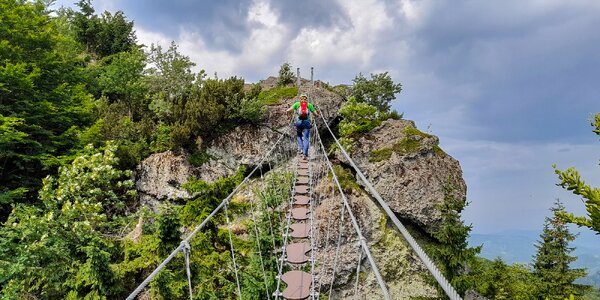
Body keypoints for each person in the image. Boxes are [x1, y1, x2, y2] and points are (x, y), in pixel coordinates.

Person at [286, 93, 318, 159]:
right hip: (307, 123)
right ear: (307, 99)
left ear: (300, 99)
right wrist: (314, 119)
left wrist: (290, 117)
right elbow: (316, 114)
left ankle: (301, 149)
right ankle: (305, 154)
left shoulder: (297, 104)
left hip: (299, 123)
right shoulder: (309, 105)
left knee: (299, 136)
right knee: (306, 138)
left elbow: (288, 110)